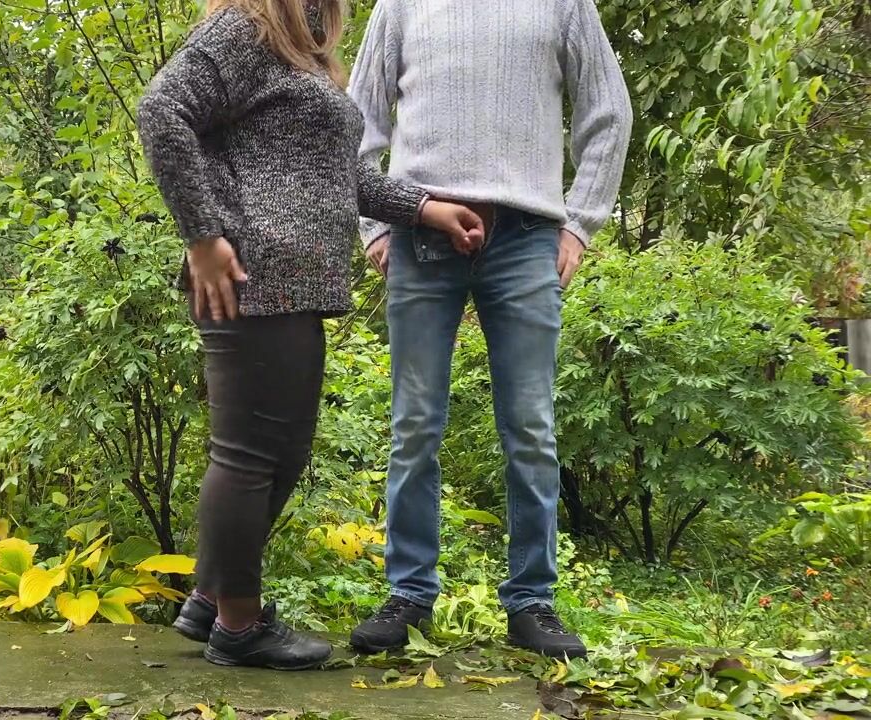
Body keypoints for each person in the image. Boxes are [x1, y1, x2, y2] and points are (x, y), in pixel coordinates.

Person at [136, 0, 485, 670]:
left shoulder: (303, 49)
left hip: (295, 282)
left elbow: (336, 177)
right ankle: (239, 626)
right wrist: (203, 237)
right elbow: (162, 110)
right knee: (248, 456)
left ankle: (211, 597)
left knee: (283, 454)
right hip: (249, 271)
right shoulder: (244, 27)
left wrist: (424, 208)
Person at [346, 0, 634, 660]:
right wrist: (375, 225)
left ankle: (531, 602)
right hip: (420, 235)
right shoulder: (401, 5)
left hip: (527, 237)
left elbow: (609, 111)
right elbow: (354, 122)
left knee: (530, 425)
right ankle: (409, 595)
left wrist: (580, 224)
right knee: (415, 423)